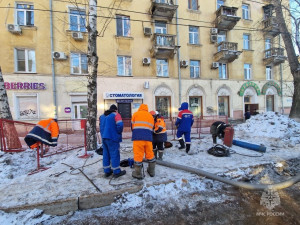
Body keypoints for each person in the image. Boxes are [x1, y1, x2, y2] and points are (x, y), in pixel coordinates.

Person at [99, 104, 126, 178]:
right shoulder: (116, 115)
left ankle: (107, 171)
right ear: (115, 110)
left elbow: (100, 127)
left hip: (104, 137)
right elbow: (120, 125)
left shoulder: (102, 116)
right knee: (114, 154)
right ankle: (116, 171)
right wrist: (118, 133)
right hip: (113, 138)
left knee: (106, 154)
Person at [131, 104, 155, 179]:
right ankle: (151, 171)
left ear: (140, 108)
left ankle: (138, 174)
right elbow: (152, 129)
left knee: (138, 155)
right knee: (150, 154)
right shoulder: (150, 116)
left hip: (138, 138)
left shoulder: (135, 114)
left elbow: (132, 127)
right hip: (148, 138)